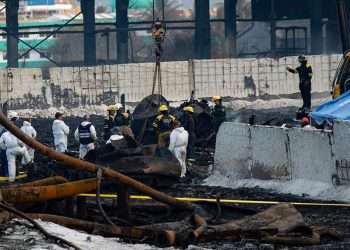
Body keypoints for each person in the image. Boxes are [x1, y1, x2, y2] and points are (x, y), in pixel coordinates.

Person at [0, 113, 30, 182]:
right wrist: (22, 145)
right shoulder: (15, 128)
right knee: (9, 161)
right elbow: (20, 140)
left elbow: (1, 142)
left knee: (10, 163)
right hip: (15, 147)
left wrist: (4, 148)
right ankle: (28, 162)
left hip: (9, 149)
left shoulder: (5, 131)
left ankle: (11, 177)